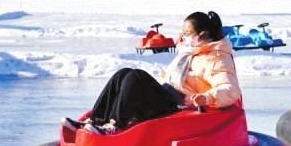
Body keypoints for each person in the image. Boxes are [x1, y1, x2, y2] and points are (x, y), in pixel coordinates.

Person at [62, 11, 242, 135]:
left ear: (201, 36)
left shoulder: (217, 58)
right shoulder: (189, 52)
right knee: (124, 73)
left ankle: (115, 126)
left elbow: (231, 90)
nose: (182, 37)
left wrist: (207, 97)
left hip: (181, 104)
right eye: (183, 33)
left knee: (137, 77)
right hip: (170, 96)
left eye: (187, 33)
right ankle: (95, 120)